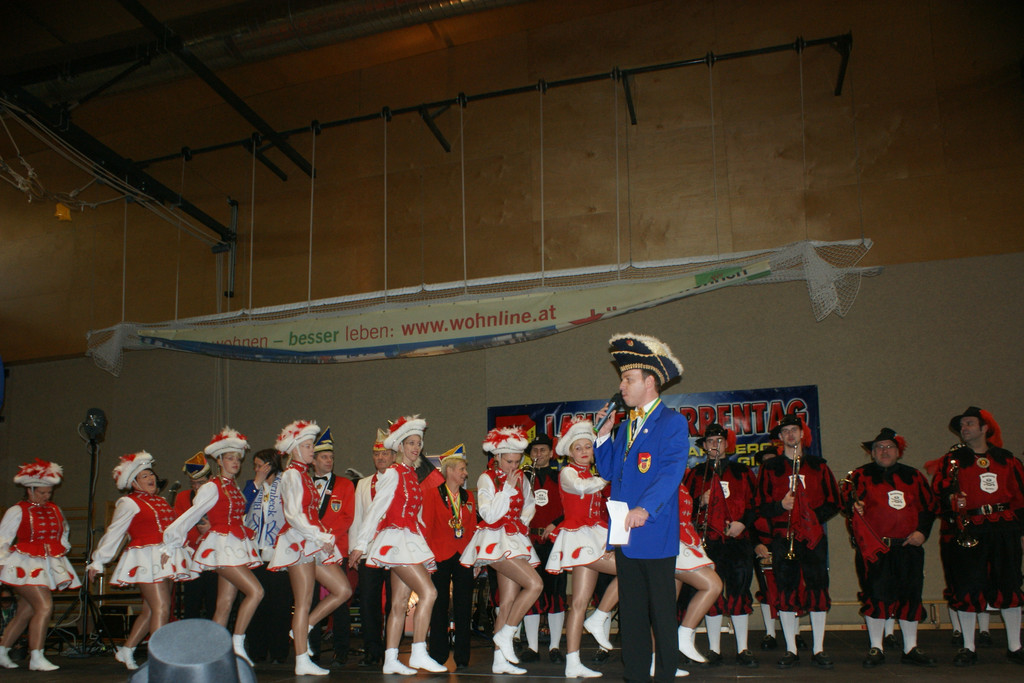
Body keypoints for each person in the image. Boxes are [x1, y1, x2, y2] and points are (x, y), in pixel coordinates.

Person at [593, 332, 689, 682]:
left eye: (628, 379)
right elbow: (608, 471)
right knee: (631, 613)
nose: (621, 386)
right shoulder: (626, 426)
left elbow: (671, 471)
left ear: (650, 382)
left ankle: (665, 675)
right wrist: (603, 435)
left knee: (661, 612)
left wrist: (645, 508)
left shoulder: (672, 422)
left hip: (652, 530)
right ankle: (634, 674)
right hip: (625, 532)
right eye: (622, 379)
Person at [349, 415, 447, 675]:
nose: (416, 447)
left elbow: (413, 512)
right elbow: (375, 510)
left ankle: (390, 658)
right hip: (395, 540)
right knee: (429, 593)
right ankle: (418, 651)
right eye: (411, 443)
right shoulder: (393, 473)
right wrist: (360, 544)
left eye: (419, 443)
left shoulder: (411, 474)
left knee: (400, 602)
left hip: (408, 538)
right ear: (400, 446)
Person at [931, 407, 1024, 666]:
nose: (964, 428)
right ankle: (968, 647)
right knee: (968, 585)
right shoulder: (952, 461)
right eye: (962, 425)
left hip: (1004, 529)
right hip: (970, 528)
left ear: (985, 428)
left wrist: (1022, 532)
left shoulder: (1007, 460)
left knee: (1009, 583)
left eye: (970, 423)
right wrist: (950, 500)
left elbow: (1020, 497)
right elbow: (938, 494)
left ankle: (1015, 646)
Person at [163, 427, 264, 664]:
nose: (235, 462)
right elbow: (191, 515)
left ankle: (212, 655)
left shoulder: (233, 486)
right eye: (229, 458)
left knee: (224, 604)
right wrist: (170, 544)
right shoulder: (211, 486)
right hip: (220, 546)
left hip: (235, 544)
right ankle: (236, 644)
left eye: (237, 458)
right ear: (219, 461)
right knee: (256, 591)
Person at [87, 451, 196, 670]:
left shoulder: (161, 501)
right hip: (145, 558)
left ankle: (126, 650)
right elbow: (115, 532)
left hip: (166, 557)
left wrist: (185, 548)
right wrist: (98, 560)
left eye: (151, 474)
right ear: (133, 482)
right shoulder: (128, 503)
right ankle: (159, 660)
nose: (151, 478)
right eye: (144, 476)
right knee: (162, 607)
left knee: (151, 610)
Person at [842, 428, 938, 668]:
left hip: (908, 547)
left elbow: (929, 508)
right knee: (876, 595)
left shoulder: (914, 476)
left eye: (889, 447)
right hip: (875, 549)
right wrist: (854, 507)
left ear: (898, 451)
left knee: (911, 595)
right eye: (879, 448)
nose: (884, 451)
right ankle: (876, 647)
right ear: (872, 453)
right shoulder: (859, 476)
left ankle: (910, 648)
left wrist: (922, 533)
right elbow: (845, 502)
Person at [268, 420, 353, 676]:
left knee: (343, 590)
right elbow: (293, 514)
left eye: (311, 446)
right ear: (294, 449)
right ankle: (301, 660)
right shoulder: (292, 475)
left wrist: (319, 536)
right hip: (299, 541)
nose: (311, 450)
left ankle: (303, 628)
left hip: (312, 541)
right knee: (303, 602)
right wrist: (318, 535)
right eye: (307, 446)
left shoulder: (304, 475)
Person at [756, 412, 840, 670]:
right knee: (786, 589)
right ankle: (791, 648)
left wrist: (810, 518)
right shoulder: (770, 468)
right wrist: (780, 506)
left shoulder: (818, 466)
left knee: (817, 587)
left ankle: (818, 648)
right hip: (783, 538)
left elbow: (834, 501)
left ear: (802, 434)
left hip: (812, 538)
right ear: (780, 438)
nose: (790, 435)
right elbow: (760, 504)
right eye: (785, 432)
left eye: (794, 430)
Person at [461, 425, 544, 675]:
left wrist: (523, 520)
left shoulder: (521, 477)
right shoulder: (487, 478)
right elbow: (488, 514)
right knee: (535, 584)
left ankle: (499, 660)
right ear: (497, 457)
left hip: (514, 539)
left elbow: (529, 504)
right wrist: (506, 490)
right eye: (509, 461)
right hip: (493, 540)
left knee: (507, 602)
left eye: (517, 461)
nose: (513, 466)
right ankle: (506, 635)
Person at [546, 418, 619, 679]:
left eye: (588, 446)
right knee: (630, 568)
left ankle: (573, 662)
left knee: (578, 603)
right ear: (570, 452)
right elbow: (580, 487)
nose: (585, 451)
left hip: (593, 534)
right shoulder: (568, 472)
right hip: (578, 536)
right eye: (578, 448)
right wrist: (607, 476)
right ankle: (599, 616)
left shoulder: (591, 474)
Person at [684, 422, 758, 667]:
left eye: (719, 441)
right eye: (710, 441)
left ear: (727, 444)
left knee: (739, 591)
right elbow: (684, 508)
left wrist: (742, 524)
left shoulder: (743, 472)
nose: (715, 445)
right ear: (704, 446)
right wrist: (700, 502)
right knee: (711, 593)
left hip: (737, 542)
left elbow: (755, 504)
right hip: (708, 543)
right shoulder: (696, 474)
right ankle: (714, 648)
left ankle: (743, 648)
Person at [0, 459, 80, 671]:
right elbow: (2, 539)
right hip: (22, 565)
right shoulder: (17, 510)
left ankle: (1, 651)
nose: (47, 496)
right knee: (44, 606)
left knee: (25, 611)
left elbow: (64, 532)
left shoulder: (55, 509)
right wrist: (2, 564)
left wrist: (60, 550)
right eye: (42, 492)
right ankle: (36, 656)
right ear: (30, 490)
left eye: (49, 492)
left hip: (46, 564)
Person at [421, 444, 478, 669]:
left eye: (465, 469)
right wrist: (426, 559)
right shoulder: (432, 494)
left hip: (463, 556)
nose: (465, 473)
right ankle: (438, 655)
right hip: (439, 556)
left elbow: (472, 530)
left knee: (464, 607)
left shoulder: (468, 496)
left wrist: (475, 559)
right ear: (450, 470)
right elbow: (427, 527)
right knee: (439, 605)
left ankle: (462, 657)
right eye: (462, 469)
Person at [306, 428, 356, 668]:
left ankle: (341, 651)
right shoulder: (305, 484)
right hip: (309, 550)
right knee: (311, 599)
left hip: (336, 549)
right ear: (313, 461)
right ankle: (312, 651)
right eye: (324, 457)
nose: (329, 461)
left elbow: (347, 516)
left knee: (341, 599)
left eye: (331, 457)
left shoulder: (345, 485)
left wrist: (327, 538)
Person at [521, 433, 567, 663]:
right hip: (528, 542)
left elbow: (570, 507)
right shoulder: (522, 478)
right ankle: (532, 647)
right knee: (531, 590)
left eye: (543, 450)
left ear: (551, 453)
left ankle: (555, 647)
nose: (538, 454)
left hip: (554, 542)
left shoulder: (562, 477)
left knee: (556, 592)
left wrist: (555, 524)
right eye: (535, 450)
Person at [241, 448, 291, 664]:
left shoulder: (286, 483)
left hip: (279, 552)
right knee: (257, 602)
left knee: (280, 604)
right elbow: (241, 507)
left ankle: (279, 651)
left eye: (259, 465)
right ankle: (257, 650)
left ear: (270, 465)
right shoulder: (252, 486)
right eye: (255, 466)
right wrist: (256, 483)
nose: (256, 469)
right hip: (255, 553)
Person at [350, 428, 393, 667]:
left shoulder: (400, 481)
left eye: (385, 453)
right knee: (368, 602)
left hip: (394, 552)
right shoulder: (363, 484)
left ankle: (391, 649)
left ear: (393, 456)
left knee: (394, 602)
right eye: (377, 454)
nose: (380, 458)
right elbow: (357, 519)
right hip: (368, 552)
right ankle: (372, 650)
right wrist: (355, 550)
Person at [174, 452, 217, 620]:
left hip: (214, 558)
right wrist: (193, 540)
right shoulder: (183, 497)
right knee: (191, 604)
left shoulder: (218, 496)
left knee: (214, 604)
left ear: (211, 479)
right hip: (192, 557)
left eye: (201, 483)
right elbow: (179, 525)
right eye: (193, 483)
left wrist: (209, 533)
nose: (197, 487)